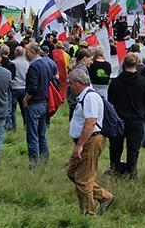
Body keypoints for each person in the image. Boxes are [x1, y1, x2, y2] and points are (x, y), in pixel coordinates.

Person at [65, 69, 114, 216]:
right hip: (86, 140)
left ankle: (88, 214)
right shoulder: (85, 96)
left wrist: (80, 145)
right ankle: (104, 196)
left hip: (91, 141)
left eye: (71, 83)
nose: (69, 86)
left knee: (83, 179)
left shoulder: (90, 97)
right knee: (72, 172)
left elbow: (90, 122)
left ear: (79, 83)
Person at [107, 53, 145, 177]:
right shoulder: (143, 81)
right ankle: (131, 172)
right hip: (136, 120)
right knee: (133, 149)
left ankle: (114, 169)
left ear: (123, 64)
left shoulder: (115, 82)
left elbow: (110, 100)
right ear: (137, 64)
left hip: (119, 119)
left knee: (115, 148)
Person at [23, 43, 53, 169]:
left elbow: (33, 88)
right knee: (42, 135)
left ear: (34, 52)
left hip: (34, 103)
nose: (26, 55)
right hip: (44, 103)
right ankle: (45, 161)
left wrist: (25, 100)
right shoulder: (46, 64)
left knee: (32, 135)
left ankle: (33, 163)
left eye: (27, 52)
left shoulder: (33, 66)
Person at [9, 46, 29, 132]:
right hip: (24, 87)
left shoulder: (12, 63)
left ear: (15, 53)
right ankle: (26, 125)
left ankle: (14, 127)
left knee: (12, 109)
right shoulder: (27, 63)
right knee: (24, 108)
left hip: (14, 87)